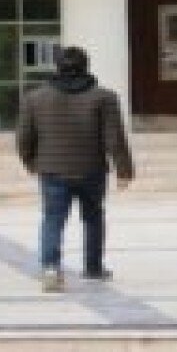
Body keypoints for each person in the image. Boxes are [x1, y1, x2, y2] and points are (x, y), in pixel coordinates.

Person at [16, 46, 135, 293]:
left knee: (53, 219)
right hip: (92, 169)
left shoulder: (35, 98)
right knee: (93, 217)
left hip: (52, 169)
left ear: (57, 66)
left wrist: (30, 162)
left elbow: (24, 137)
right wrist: (124, 170)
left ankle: (51, 268)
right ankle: (93, 266)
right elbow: (114, 138)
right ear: (86, 65)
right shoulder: (105, 97)